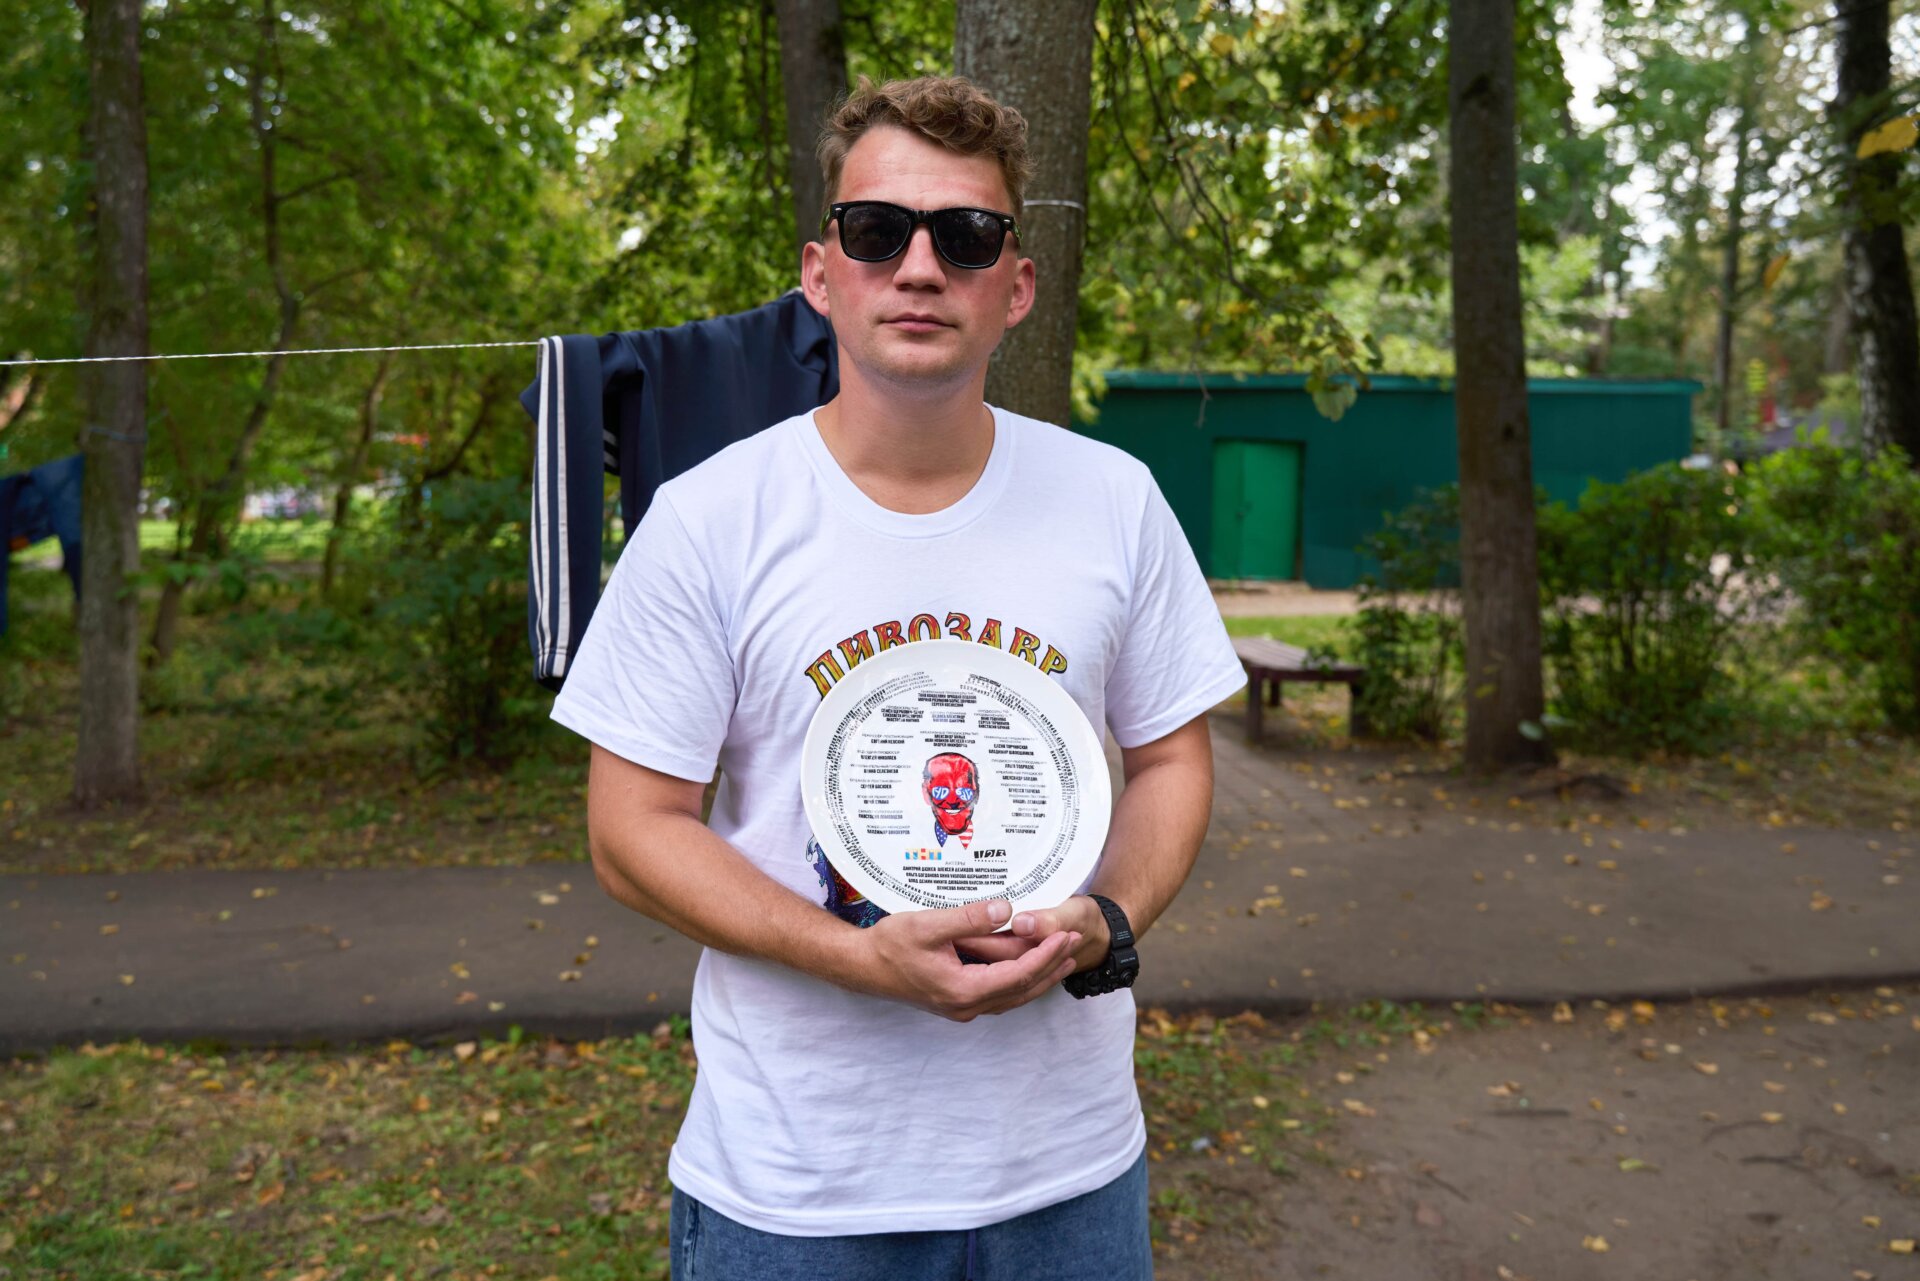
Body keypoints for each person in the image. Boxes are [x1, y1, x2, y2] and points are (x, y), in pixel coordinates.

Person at [549, 74, 1245, 1280]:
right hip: (797, 1192)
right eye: (878, 230)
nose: (920, 268)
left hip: (1070, 1178)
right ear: (822, 274)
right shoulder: (710, 519)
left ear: (1015, 285)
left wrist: (1111, 920)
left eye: (965, 235)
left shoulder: (1114, 500)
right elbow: (630, 831)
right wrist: (856, 959)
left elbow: (1174, 757)